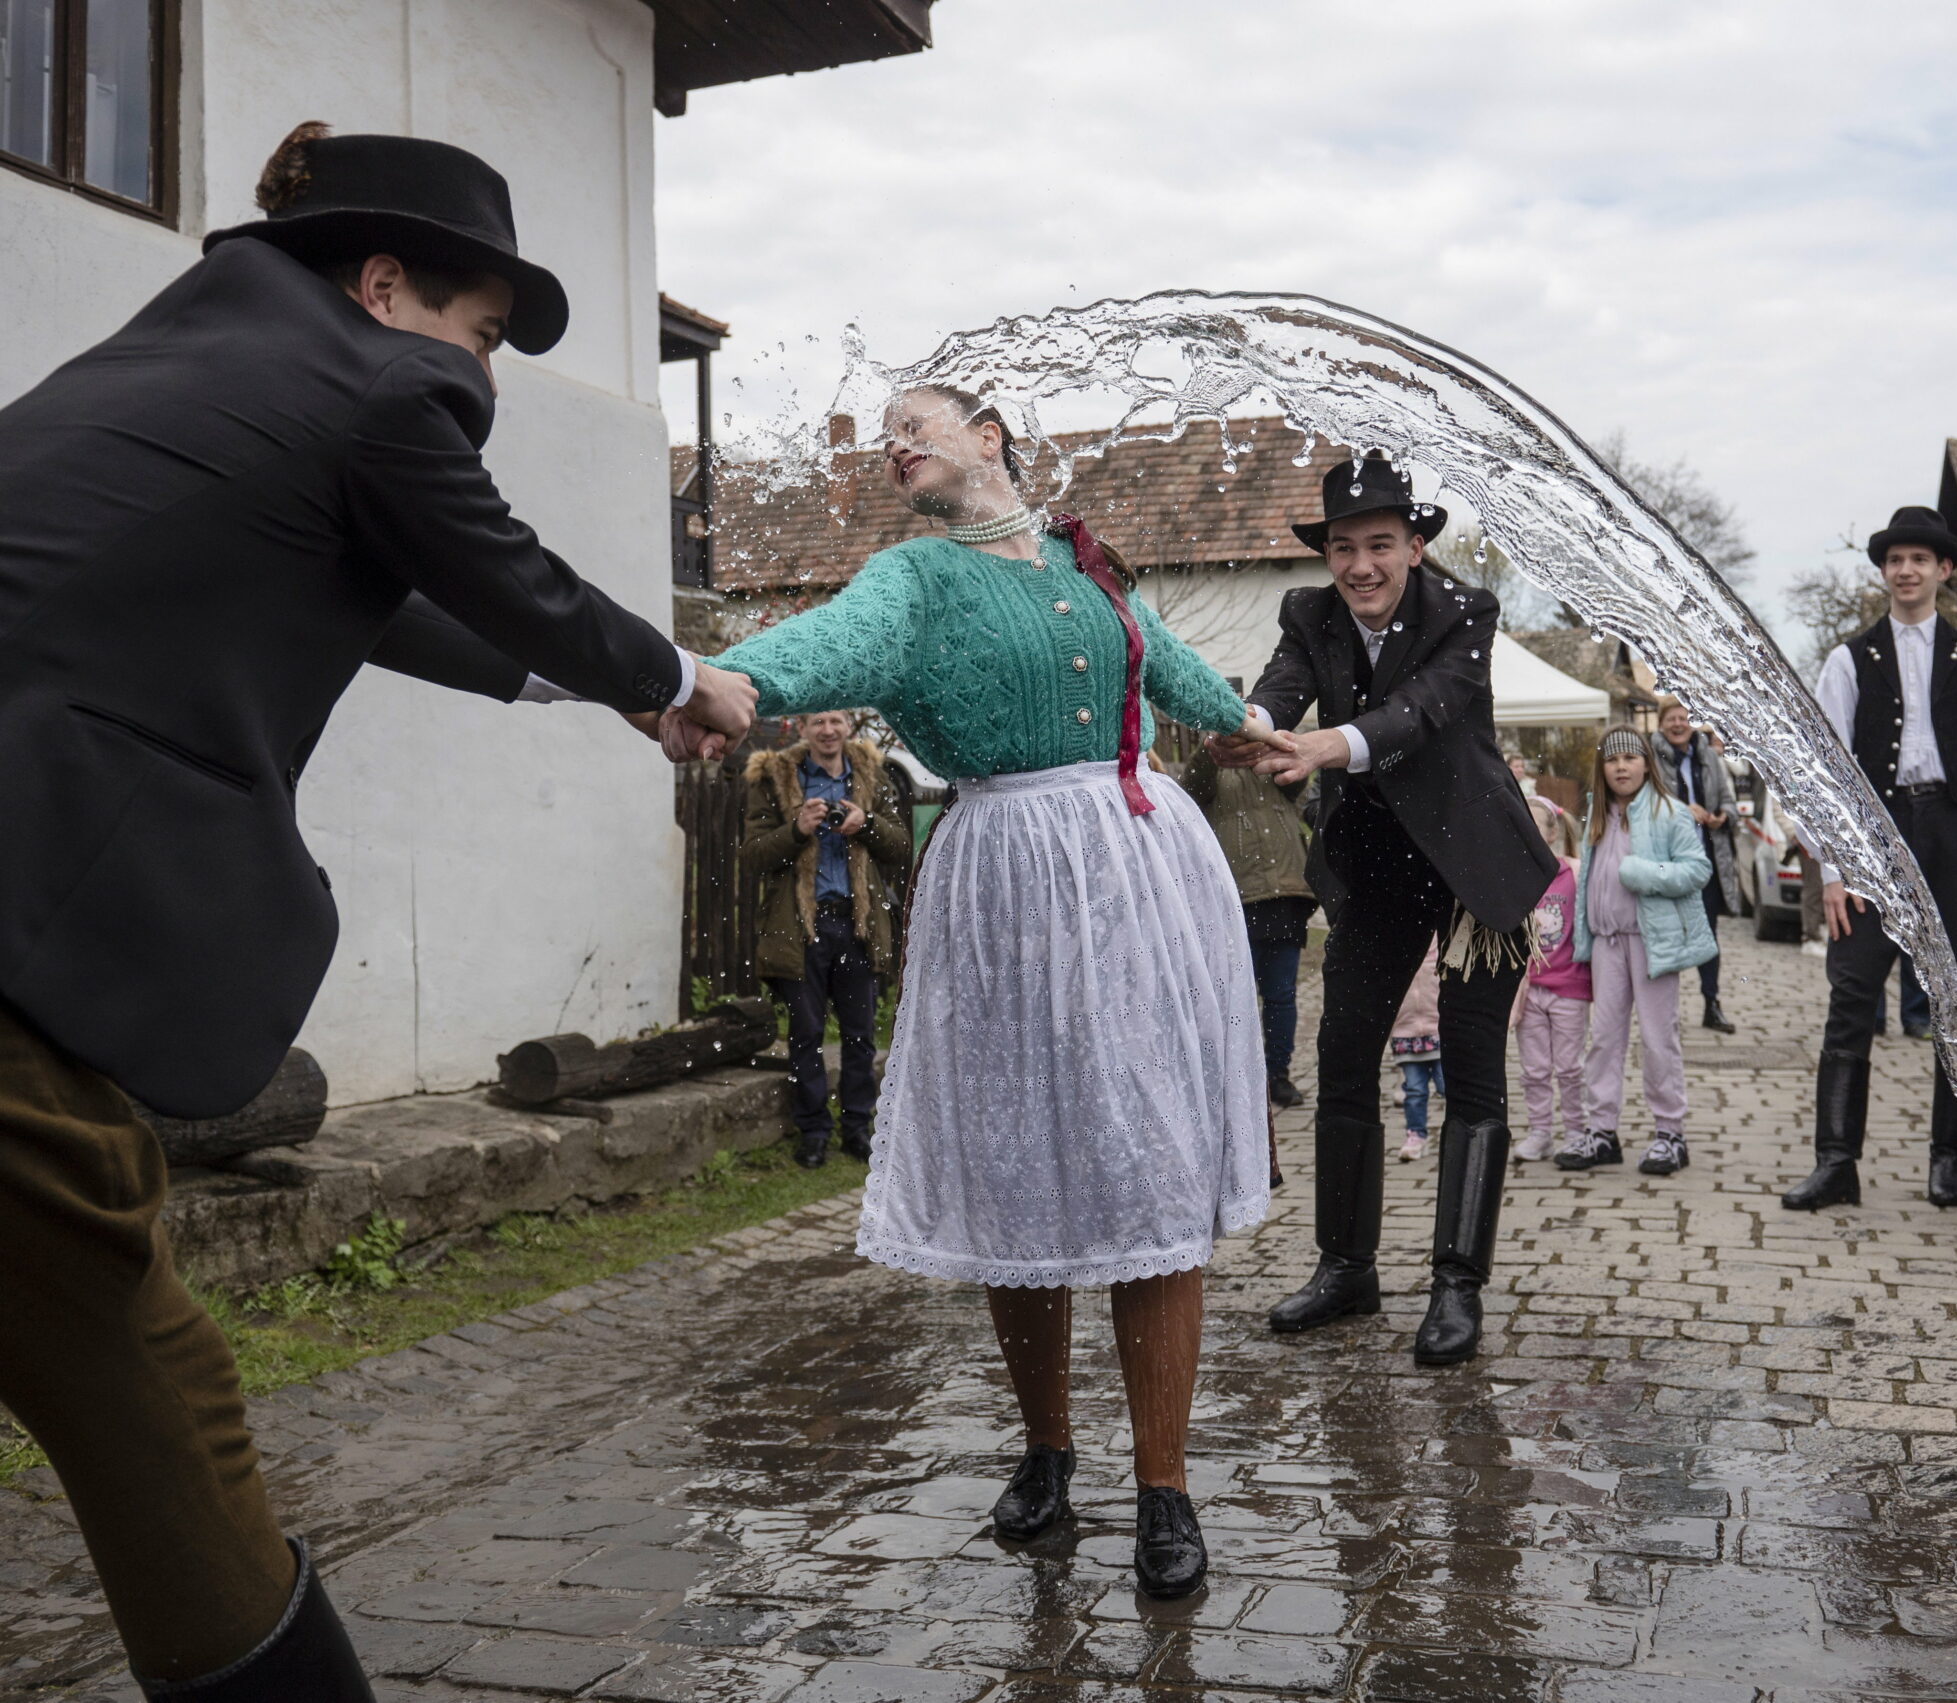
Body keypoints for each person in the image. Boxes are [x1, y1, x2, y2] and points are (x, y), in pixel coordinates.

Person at [0, 125, 755, 1700]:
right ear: (387, 281)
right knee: (149, 1369)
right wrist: (681, 674)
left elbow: (387, 580)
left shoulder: (178, 364)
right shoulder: (382, 382)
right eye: (484, 329)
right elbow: (483, 554)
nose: (485, 366)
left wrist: (594, 691)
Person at [709, 383, 1267, 1598]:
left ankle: (1164, 1483)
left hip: (1138, 871)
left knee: (1152, 1158)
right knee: (1025, 1164)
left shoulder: (1087, 558)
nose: (897, 439)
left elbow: (1175, 673)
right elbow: (822, 648)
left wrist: (1253, 726)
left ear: (992, 436)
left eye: (922, 419)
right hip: (1006, 880)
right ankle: (1049, 1449)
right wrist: (720, 678)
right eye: (885, 431)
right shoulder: (909, 579)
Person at [1212, 456, 1557, 1367]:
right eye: (1342, 548)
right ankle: (1346, 1266)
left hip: (1477, 866)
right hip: (1378, 868)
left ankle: (1456, 1284)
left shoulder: (1465, 614)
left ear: (1414, 544)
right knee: (1343, 1050)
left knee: (1474, 1068)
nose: (1359, 566)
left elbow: (1421, 713)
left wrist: (1331, 743)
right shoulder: (1310, 614)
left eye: (1377, 545)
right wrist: (1248, 723)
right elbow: (1279, 688)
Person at [1787, 507, 1957, 1211]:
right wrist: (1838, 868)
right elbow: (1822, 769)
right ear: (1884, 571)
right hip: (1878, 834)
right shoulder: (1848, 659)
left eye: (1919, 559)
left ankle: (1946, 1158)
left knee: (1956, 1001)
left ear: (1944, 570)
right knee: (1851, 996)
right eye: (1895, 559)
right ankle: (1836, 1161)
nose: (1906, 570)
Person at [743, 710, 910, 1169]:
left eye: (836, 721)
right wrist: (796, 829)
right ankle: (813, 1130)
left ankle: (858, 1127)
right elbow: (755, 855)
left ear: (846, 727)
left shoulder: (872, 776)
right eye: (818, 722)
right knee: (806, 1035)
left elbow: (899, 847)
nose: (828, 730)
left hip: (857, 926)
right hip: (803, 928)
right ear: (803, 729)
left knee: (859, 1036)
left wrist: (866, 824)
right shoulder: (775, 779)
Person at [1561, 727, 1717, 1176]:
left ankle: (1670, 1133)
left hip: (1652, 944)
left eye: (1631, 758)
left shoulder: (1670, 812)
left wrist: (1643, 873)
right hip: (1607, 943)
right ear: (1602, 768)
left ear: (1647, 764)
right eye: (1613, 761)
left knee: (1656, 1038)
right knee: (1604, 1039)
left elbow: (1696, 869)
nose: (1622, 767)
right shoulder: (1597, 815)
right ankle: (1602, 1131)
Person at [1181, 751, 1320, 1110]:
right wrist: (1214, 748)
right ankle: (1239, 1079)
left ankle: (1278, 1074)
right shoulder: (1209, 767)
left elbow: (1298, 777)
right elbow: (1193, 786)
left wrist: (1270, 743)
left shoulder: (1272, 764)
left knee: (1280, 993)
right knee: (1234, 999)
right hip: (1236, 900)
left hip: (1284, 894)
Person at [1651, 701, 1742, 1033]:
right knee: (1668, 933)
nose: (1678, 724)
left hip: (1706, 861)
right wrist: (1680, 809)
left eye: (1684, 718)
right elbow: (1646, 801)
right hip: (1669, 861)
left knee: (1707, 936)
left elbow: (1730, 803)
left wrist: (1722, 817)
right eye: (1671, 719)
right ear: (1661, 725)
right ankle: (1664, 1012)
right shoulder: (1652, 757)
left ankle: (1711, 1003)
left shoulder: (1710, 758)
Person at [1513, 806, 1590, 1164]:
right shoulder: (1514, 876)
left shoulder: (1574, 873)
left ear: (1552, 833)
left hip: (1569, 986)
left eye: (1533, 822)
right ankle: (1540, 1131)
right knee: (1534, 1068)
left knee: (1570, 1067)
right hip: (1528, 990)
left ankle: (1577, 1131)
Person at [1392, 949, 1445, 1162]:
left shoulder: (1441, 945)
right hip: (1406, 1033)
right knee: (1414, 1090)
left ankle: (1457, 1132)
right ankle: (1416, 1134)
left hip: (1439, 1032)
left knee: (1447, 1086)